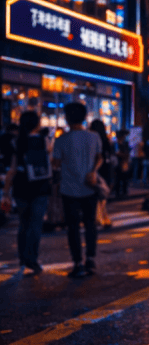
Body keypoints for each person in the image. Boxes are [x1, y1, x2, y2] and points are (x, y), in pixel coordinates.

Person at [51, 102, 103, 278]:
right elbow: (99, 158)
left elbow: (56, 163)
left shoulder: (62, 139)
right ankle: (90, 259)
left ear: (67, 118)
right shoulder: (94, 137)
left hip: (69, 188)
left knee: (72, 227)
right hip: (89, 186)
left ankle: (77, 262)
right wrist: (93, 172)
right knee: (90, 225)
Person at [1, 111, 52, 275]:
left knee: (24, 224)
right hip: (40, 185)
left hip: (21, 186)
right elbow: (49, 158)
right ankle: (32, 258)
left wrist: (6, 192)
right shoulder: (44, 141)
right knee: (36, 224)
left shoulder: (17, 142)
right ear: (37, 124)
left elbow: (13, 169)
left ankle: (23, 257)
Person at [89, 119, 114, 230]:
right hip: (106, 170)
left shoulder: (93, 140)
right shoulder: (106, 140)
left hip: (96, 169)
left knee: (97, 196)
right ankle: (104, 218)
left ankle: (102, 219)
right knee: (102, 196)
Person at [114, 129, 132, 197]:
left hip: (123, 162)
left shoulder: (123, 144)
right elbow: (117, 153)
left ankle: (123, 191)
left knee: (124, 178)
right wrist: (125, 155)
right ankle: (119, 192)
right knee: (119, 178)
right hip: (119, 163)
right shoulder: (117, 144)